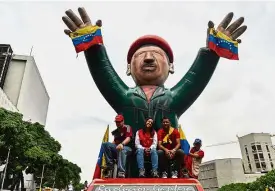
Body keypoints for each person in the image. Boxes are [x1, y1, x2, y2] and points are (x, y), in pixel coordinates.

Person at [62, 8, 247, 177]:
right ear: (128, 68)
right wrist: (92, 47)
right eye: (141, 55)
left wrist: (213, 52)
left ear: (171, 67)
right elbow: (104, 74)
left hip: (166, 164)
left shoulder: (172, 98)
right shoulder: (125, 96)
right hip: (129, 171)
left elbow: (196, 77)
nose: (149, 58)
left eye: (157, 55)